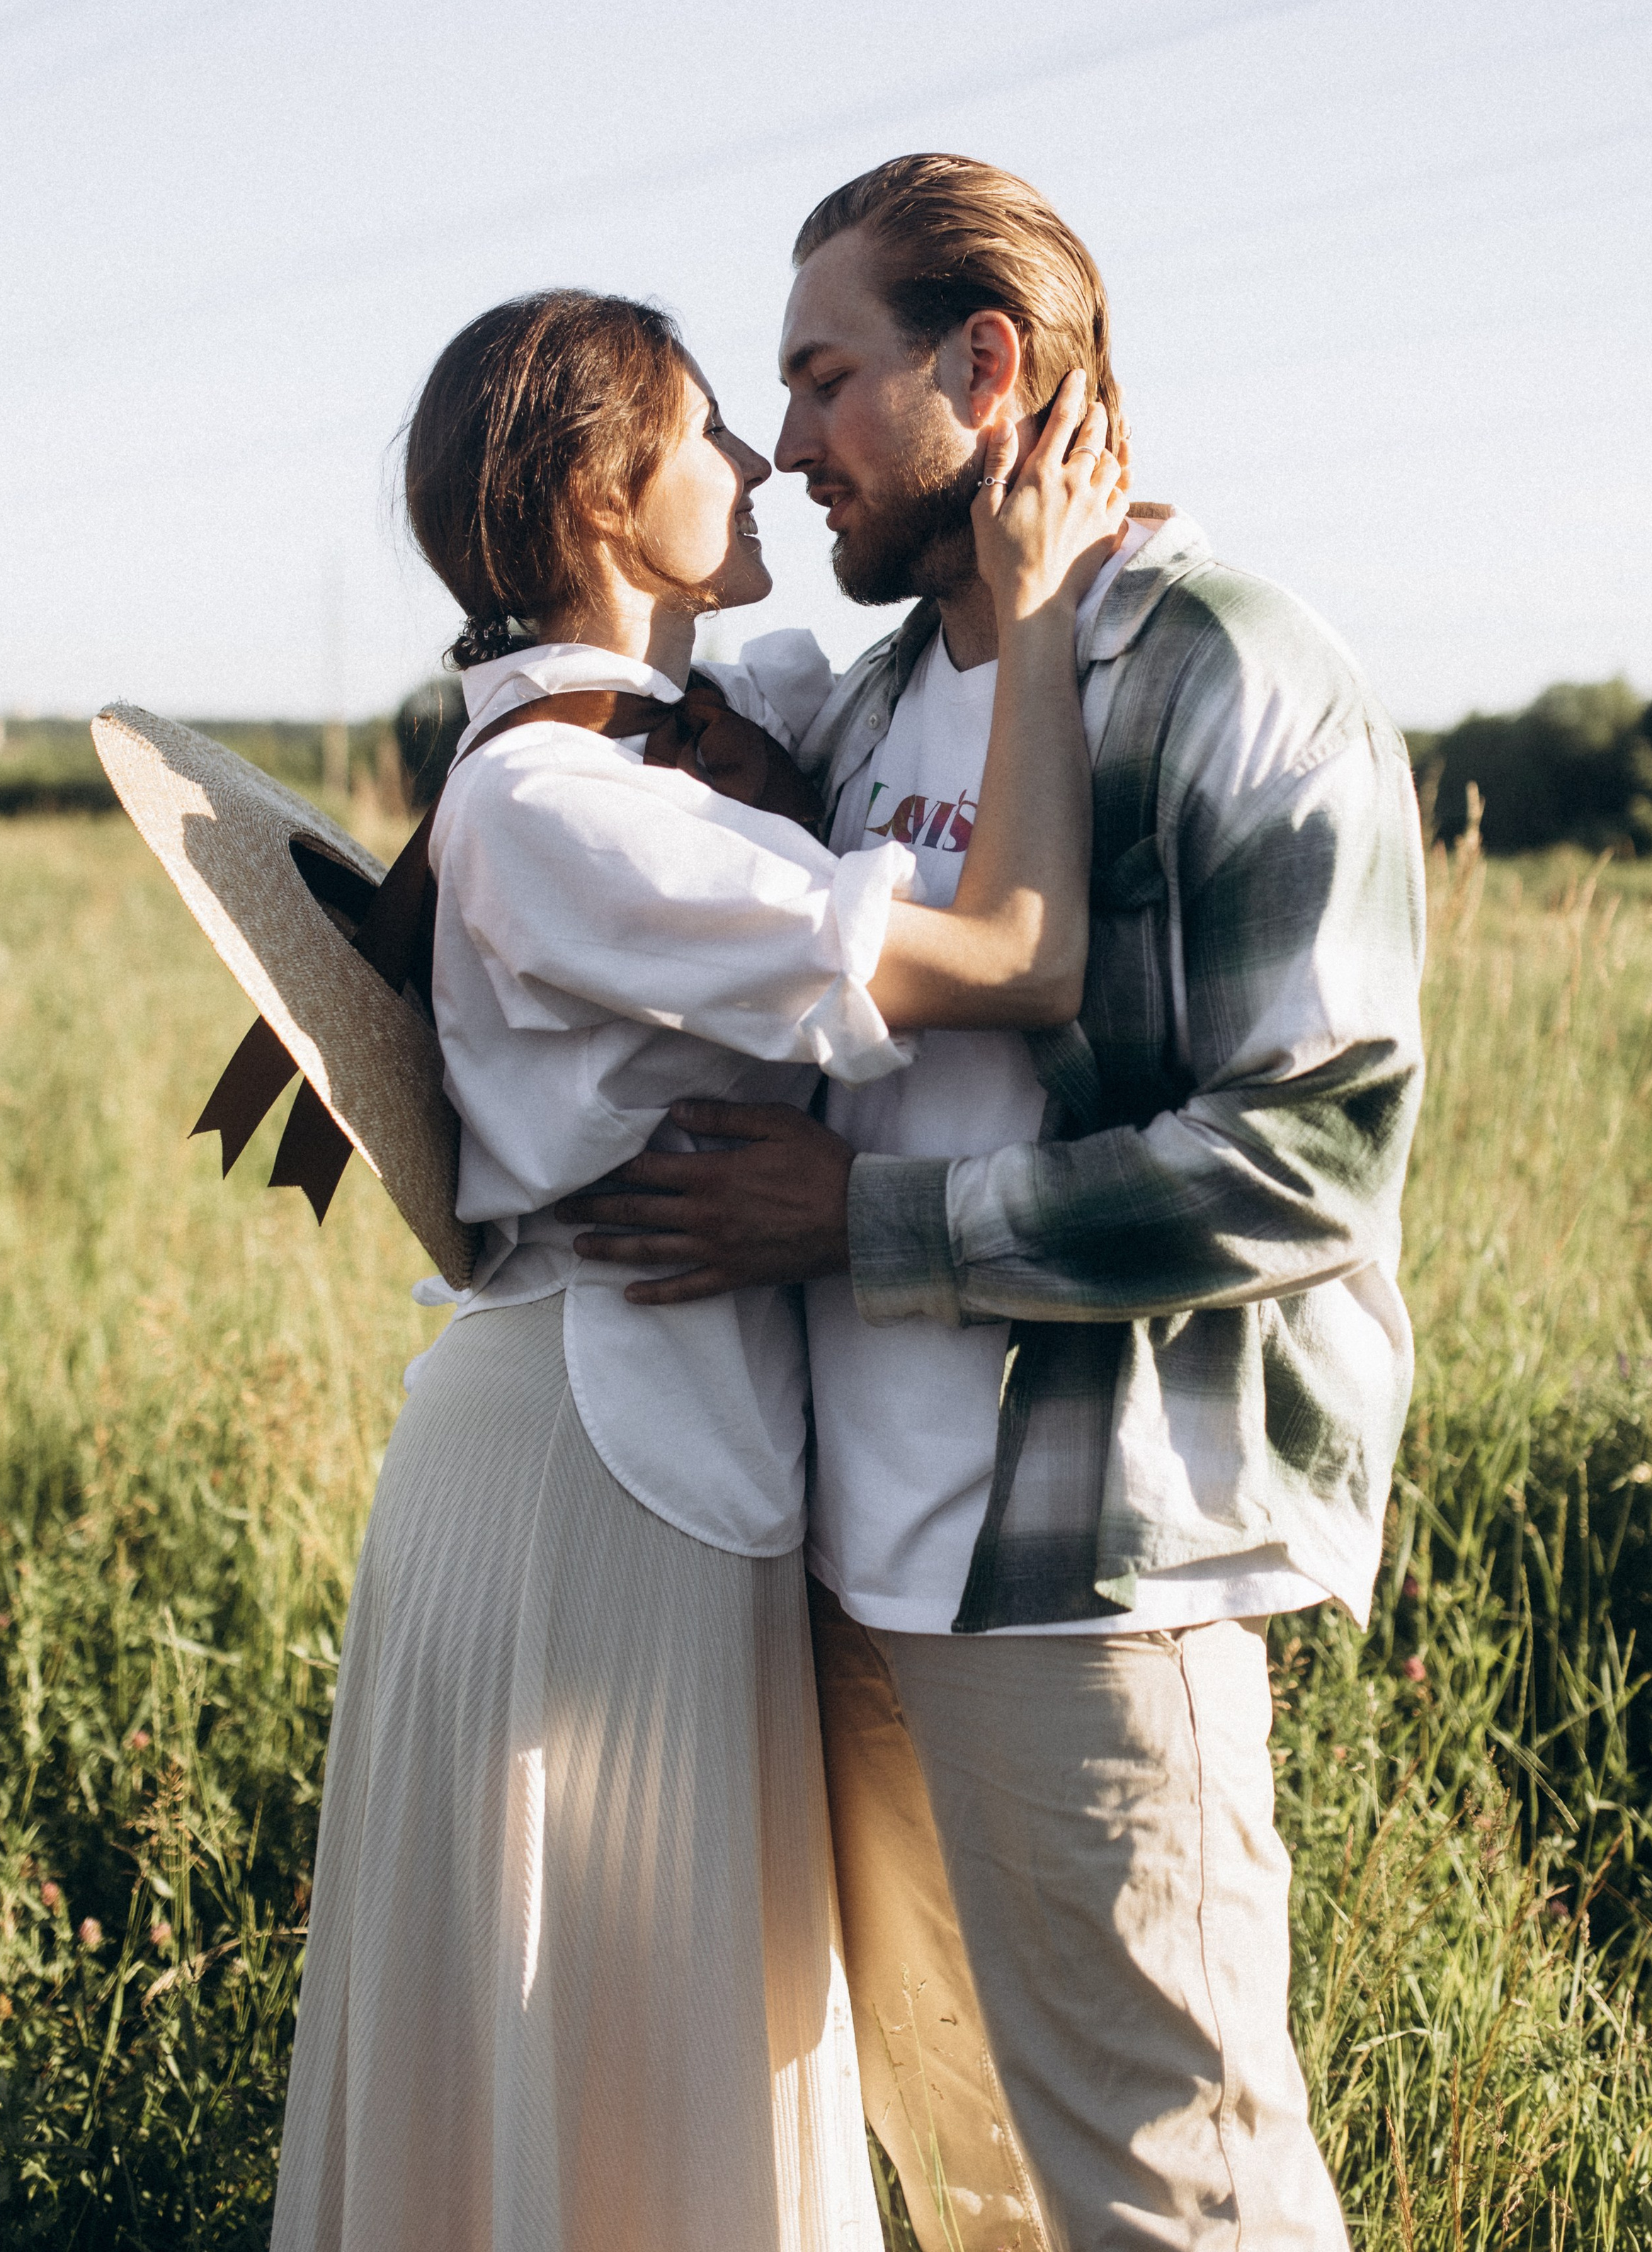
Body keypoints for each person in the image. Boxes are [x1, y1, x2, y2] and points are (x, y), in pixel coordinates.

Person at [563, 159, 1428, 2251]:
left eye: (827, 377)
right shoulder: (857, 715)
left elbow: (1306, 1156)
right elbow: (556, 715)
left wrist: (862, 1226)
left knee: (1172, 2194)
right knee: (966, 2190)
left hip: (1087, 1589)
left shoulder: (1230, 668)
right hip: (860, 1583)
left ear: (989, 367)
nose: (785, 446)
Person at [268, 286, 1129, 2252]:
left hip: (660, 1432)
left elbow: (883, 711)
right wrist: (1056, 614)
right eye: (712, 433)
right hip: (600, 1449)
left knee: (665, 2011)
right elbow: (1019, 954)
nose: (757, 462)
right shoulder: (557, 811)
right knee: (618, 2008)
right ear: (599, 490)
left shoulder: (682, 747)